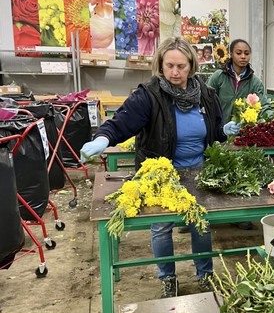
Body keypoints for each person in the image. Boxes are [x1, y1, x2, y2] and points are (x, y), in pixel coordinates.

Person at [79, 37, 240, 298]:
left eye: (181, 66)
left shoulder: (206, 95)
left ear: (191, 66)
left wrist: (224, 131)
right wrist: (103, 139)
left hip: (198, 172)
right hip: (160, 174)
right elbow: (121, 123)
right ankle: (167, 278)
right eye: (169, 66)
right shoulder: (149, 95)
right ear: (160, 66)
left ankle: (205, 274)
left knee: (201, 224)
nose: (175, 72)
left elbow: (215, 131)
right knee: (162, 226)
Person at [207, 38, 272, 230]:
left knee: (240, 173)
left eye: (246, 53)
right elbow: (206, 100)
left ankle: (238, 214)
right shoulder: (218, 77)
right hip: (218, 133)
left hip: (243, 136)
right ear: (231, 54)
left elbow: (264, 104)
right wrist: (216, 126)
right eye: (239, 52)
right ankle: (206, 213)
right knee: (214, 170)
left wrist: (270, 117)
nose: (243, 56)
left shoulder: (254, 81)